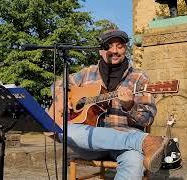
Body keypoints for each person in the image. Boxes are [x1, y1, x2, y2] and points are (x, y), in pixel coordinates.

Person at [51, 29, 169, 180]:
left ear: (125, 49)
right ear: (101, 50)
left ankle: (138, 142)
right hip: (90, 143)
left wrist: (130, 105)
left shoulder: (139, 77)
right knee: (63, 130)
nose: (114, 51)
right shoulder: (87, 72)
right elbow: (57, 84)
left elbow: (147, 119)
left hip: (125, 141)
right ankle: (144, 141)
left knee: (134, 162)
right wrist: (63, 97)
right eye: (109, 46)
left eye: (119, 46)